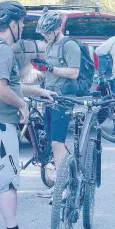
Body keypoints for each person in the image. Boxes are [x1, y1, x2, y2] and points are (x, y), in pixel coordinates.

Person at [0, 1, 56, 229]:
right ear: (12, 24)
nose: (22, 28)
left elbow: (6, 84)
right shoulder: (4, 50)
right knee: (7, 178)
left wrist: (37, 91)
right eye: (21, 23)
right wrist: (22, 105)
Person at [32, 11, 81, 200]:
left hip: (63, 97)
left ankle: (64, 186)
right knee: (53, 142)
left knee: (57, 142)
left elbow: (74, 73)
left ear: (57, 29)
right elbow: (48, 71)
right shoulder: (50, 45)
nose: (44, 36)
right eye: (42, 33)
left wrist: (51, 68)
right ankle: (61, 181)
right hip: (49, 96)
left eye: (47, 32)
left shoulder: (69, 46)